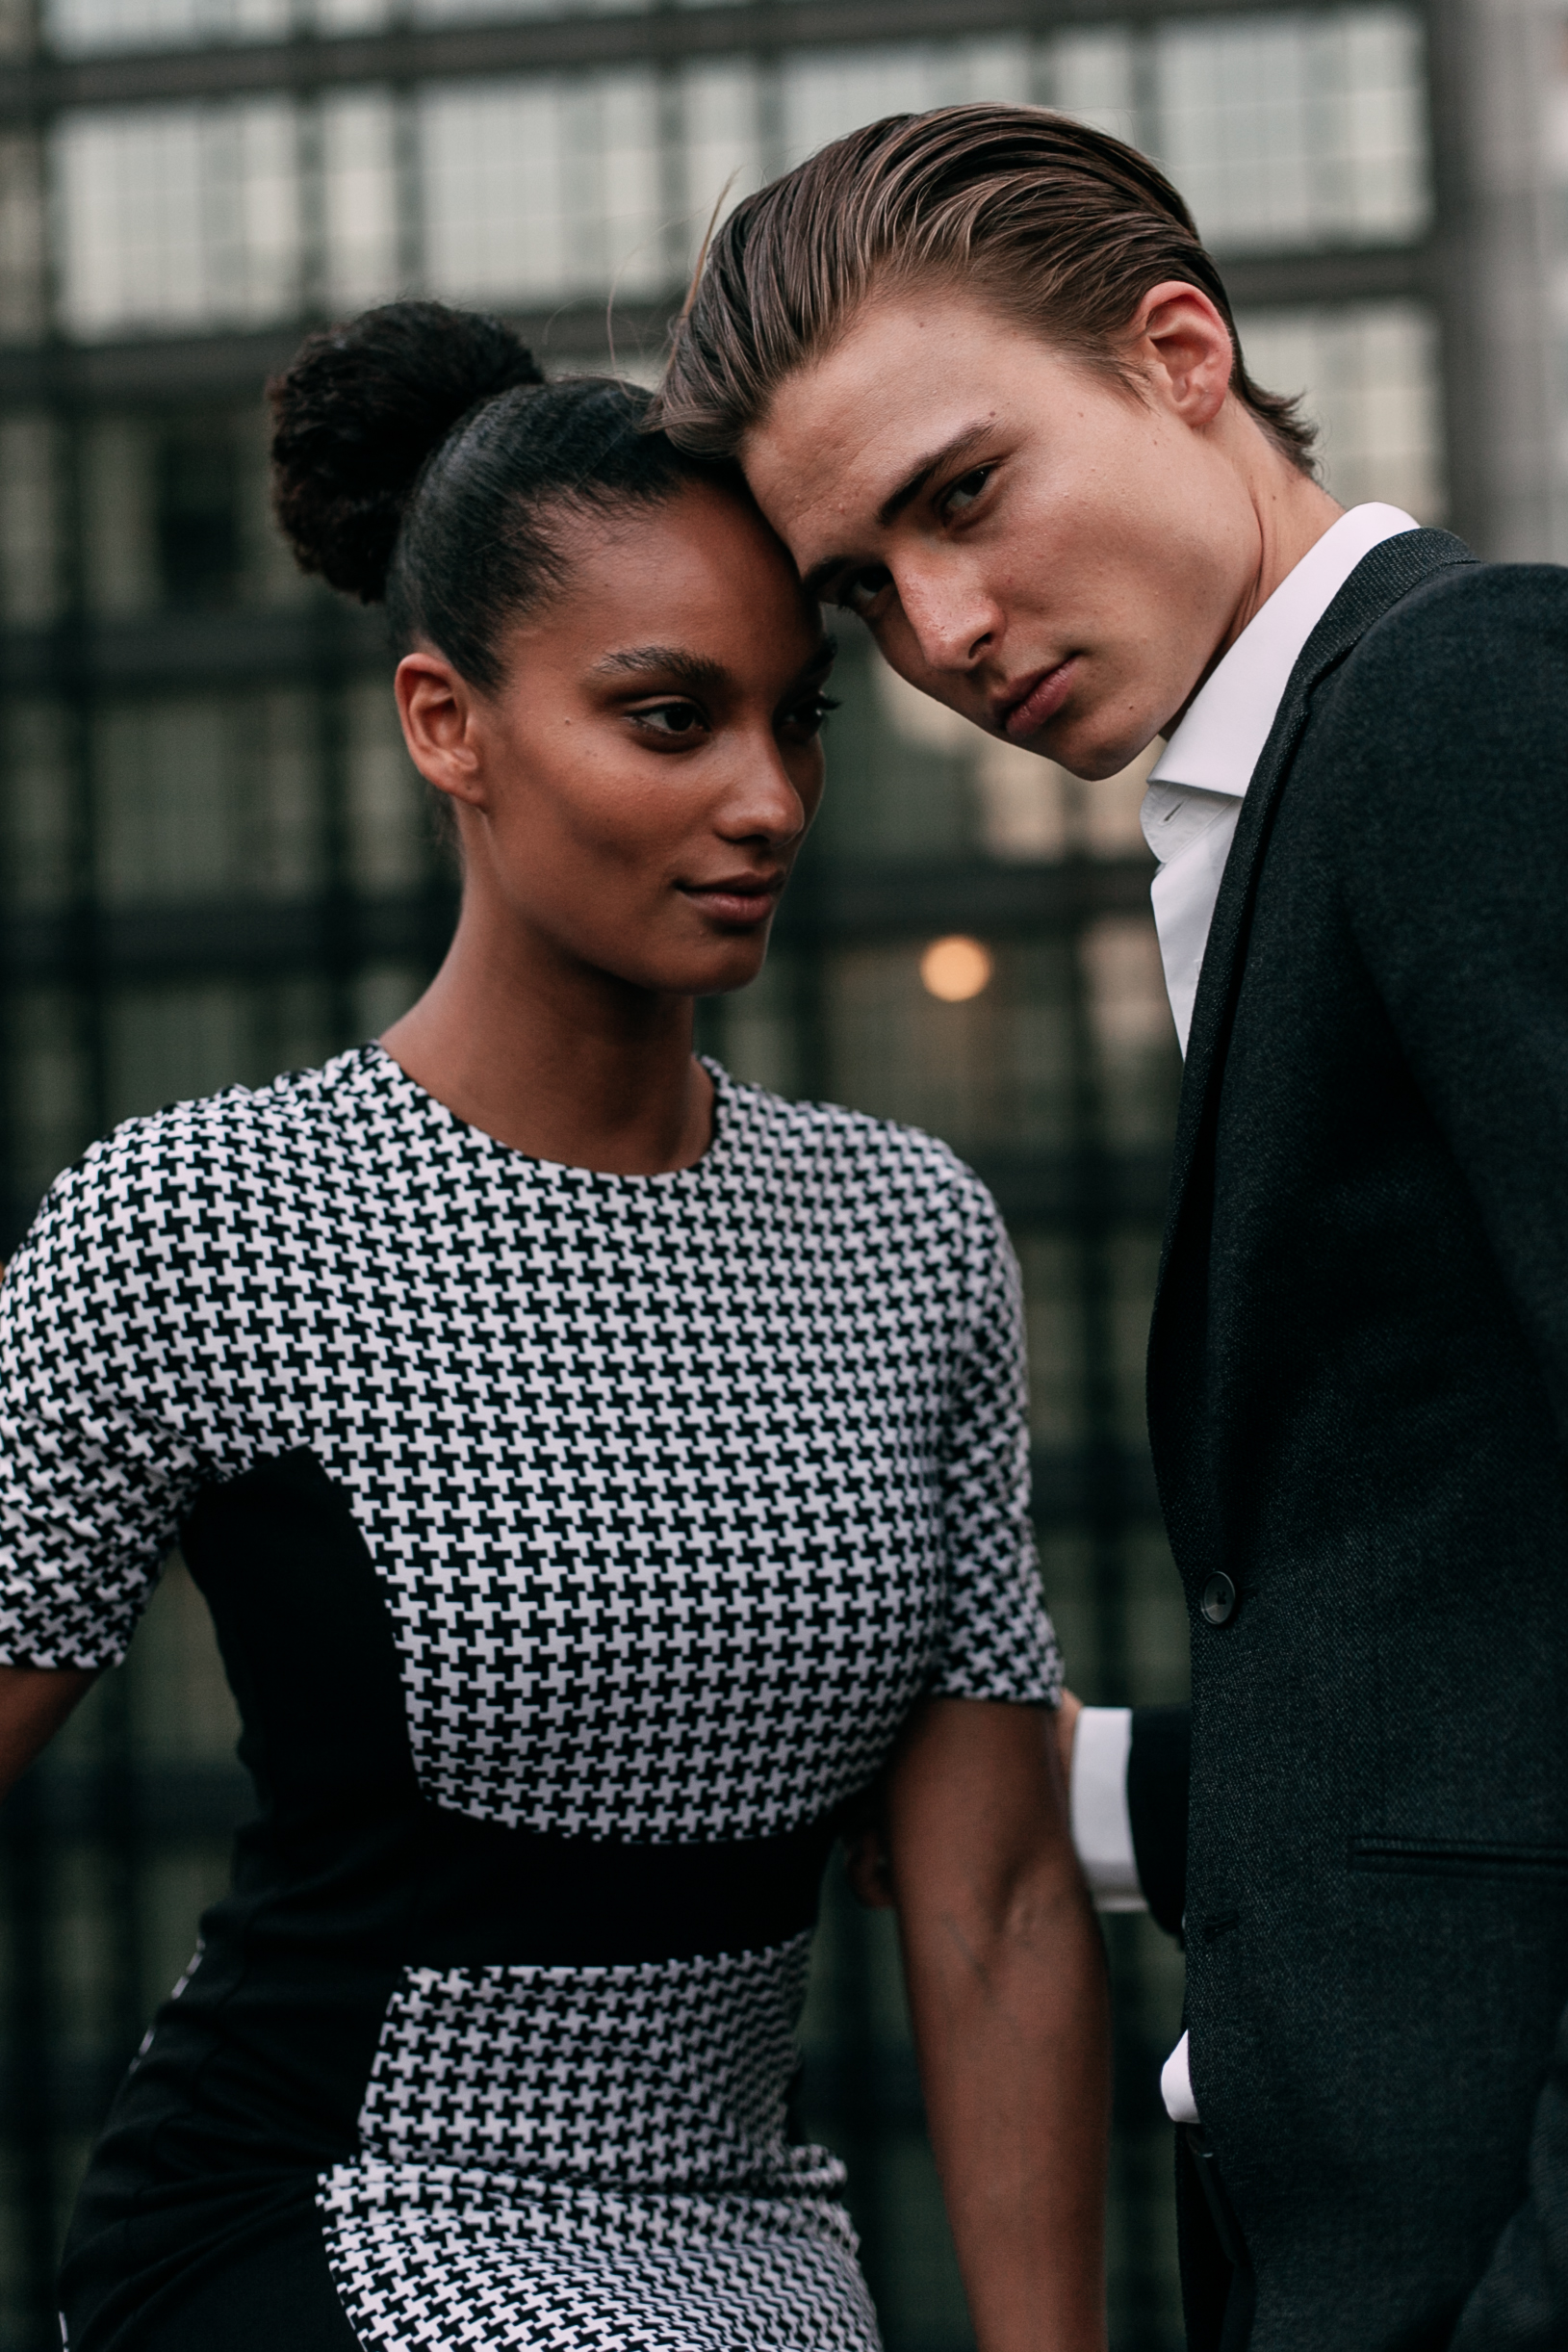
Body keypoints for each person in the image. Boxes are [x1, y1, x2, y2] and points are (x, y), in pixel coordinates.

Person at [0, 301, 1111, 2352]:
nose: (768, 796)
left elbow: (997, 1907)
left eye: (798, 719)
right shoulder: (195, 1218)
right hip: (320, 2203)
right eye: (669, 715)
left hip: (758, 2238)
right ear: (447, 722)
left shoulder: (908, 1234)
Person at [654, 101, 1568, 2352]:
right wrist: (1080, 1784)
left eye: (962, 495)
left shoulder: (1456, 704)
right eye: (860, 585)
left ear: (1176, 353)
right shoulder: (1266, 802)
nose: (944, 629)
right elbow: (1461, 1589)